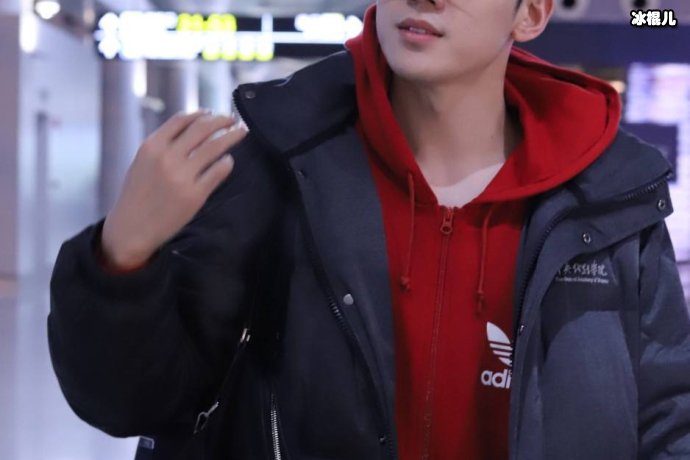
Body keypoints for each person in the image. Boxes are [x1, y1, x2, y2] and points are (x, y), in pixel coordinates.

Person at [48, 0, 690, 458]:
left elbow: (667, 420)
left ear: (532, 14)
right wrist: (122, 257)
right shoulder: (274, 172)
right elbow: (134, 403)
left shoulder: (608, 203)